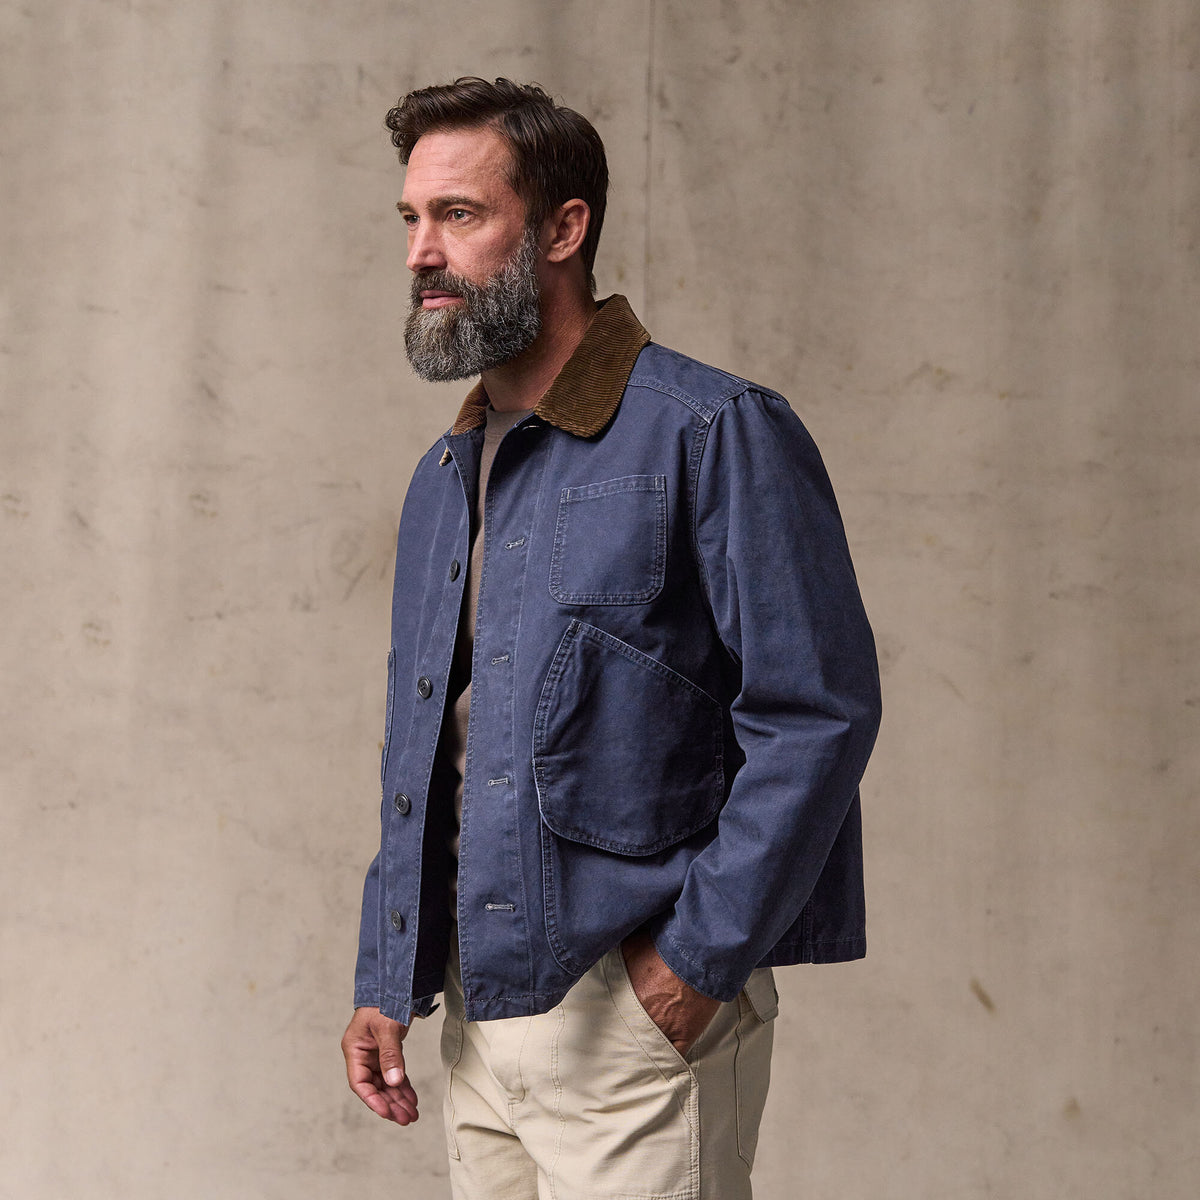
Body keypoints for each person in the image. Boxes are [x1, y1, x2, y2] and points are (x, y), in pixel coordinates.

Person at [341, 76, 881, 1200]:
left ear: (563, 229)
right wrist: (386, 975)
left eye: (459, 214)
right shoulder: (446, 474)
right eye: (411, 217)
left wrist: (690, 969)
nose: (421, 252)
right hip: (476, 1013)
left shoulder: (712, 431)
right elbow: (430, 746)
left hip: (634, 1008)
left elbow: (817, 713)